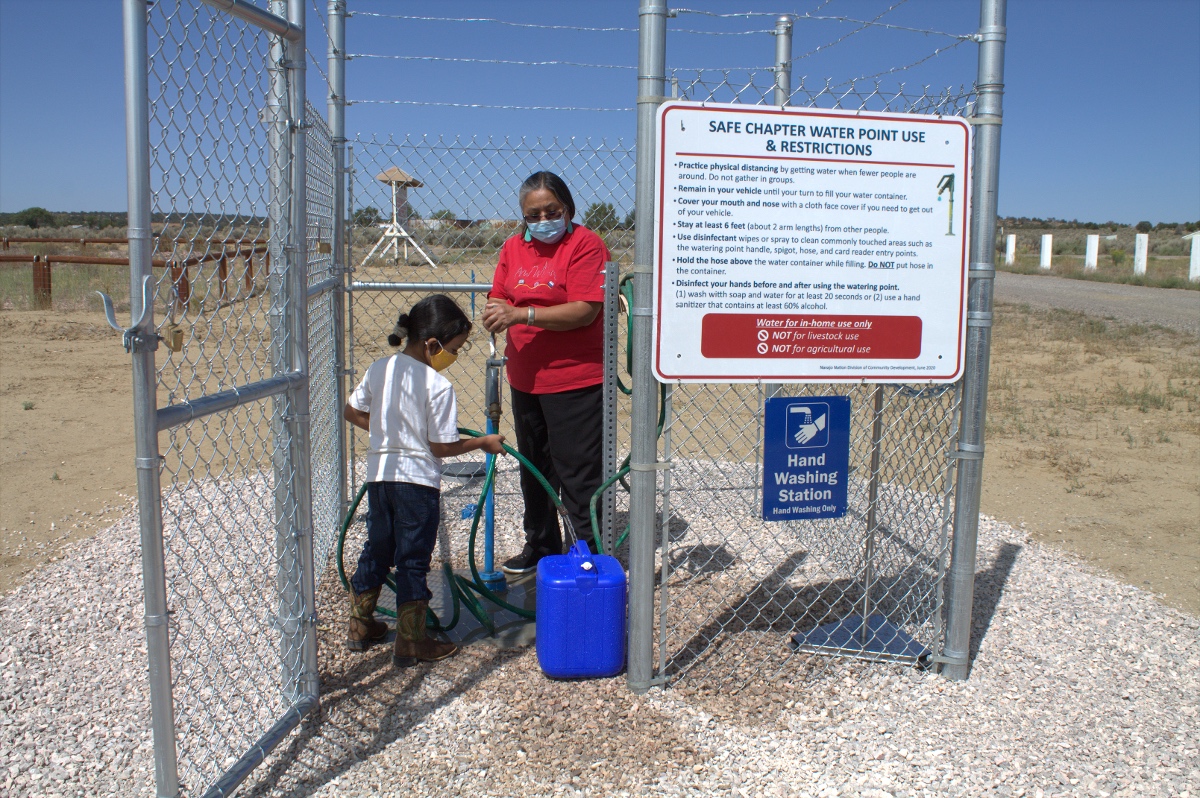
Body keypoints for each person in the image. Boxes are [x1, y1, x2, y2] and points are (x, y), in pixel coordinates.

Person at [343, 295, 505, 667]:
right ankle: (412, 642)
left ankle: (360, 625)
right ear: (432, 344)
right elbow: (441, 447)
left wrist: (390, 432)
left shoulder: (380, 368)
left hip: (380, 479)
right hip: (416, 484)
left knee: (378, 549)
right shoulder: (437, 386)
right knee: (413, 560)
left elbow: (352, 410)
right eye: (454, 349)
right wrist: (483, 442)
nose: (454, 356)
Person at [481, 171, 610, 575]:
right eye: (532, 214)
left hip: (575, 379)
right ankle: (540, 545)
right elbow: (498, 292)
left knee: (578, 473)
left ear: (567, 209)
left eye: (550, 211)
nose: (542, 220)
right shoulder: (514, 247)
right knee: (533, 467)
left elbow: (584, 309)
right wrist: (497, 308)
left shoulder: (586, 245)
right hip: (526, 377)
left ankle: (586, 555)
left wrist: (522, 313)